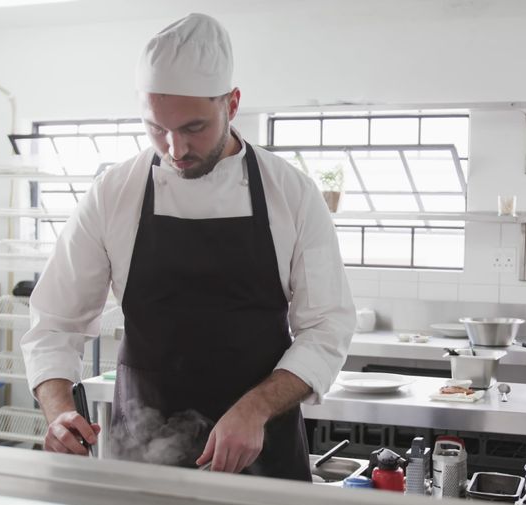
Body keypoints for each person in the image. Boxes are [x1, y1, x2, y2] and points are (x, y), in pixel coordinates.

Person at [20, 13, 355, 481]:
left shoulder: (291, 193)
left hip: (262, 451)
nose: (175, 149)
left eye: (193, 127)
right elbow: (54, 324)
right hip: (141, 453)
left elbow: (327, 327)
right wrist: (57, 410)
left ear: (232, 104)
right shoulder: (114, 192)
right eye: (156, 128)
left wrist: (256, 408)